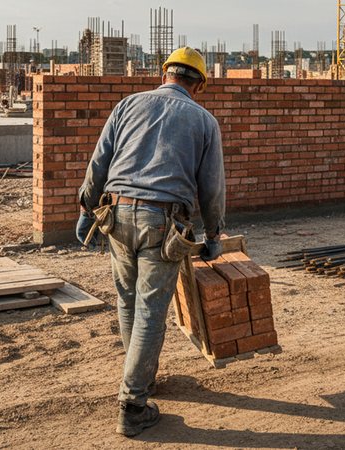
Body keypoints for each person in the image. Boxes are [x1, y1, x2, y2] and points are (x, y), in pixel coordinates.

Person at [77, 47, 226, 437]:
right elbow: (211, 189)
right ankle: (133, 404)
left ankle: (140, 378)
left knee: (128, 300)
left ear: (165, 74)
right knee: (149, 311)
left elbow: (99, 162)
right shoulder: (203, 120)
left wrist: (85, 209)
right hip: (162, 222)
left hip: (115, 214)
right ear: (198, 84)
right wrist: (213, 235)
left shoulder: (127, 105)